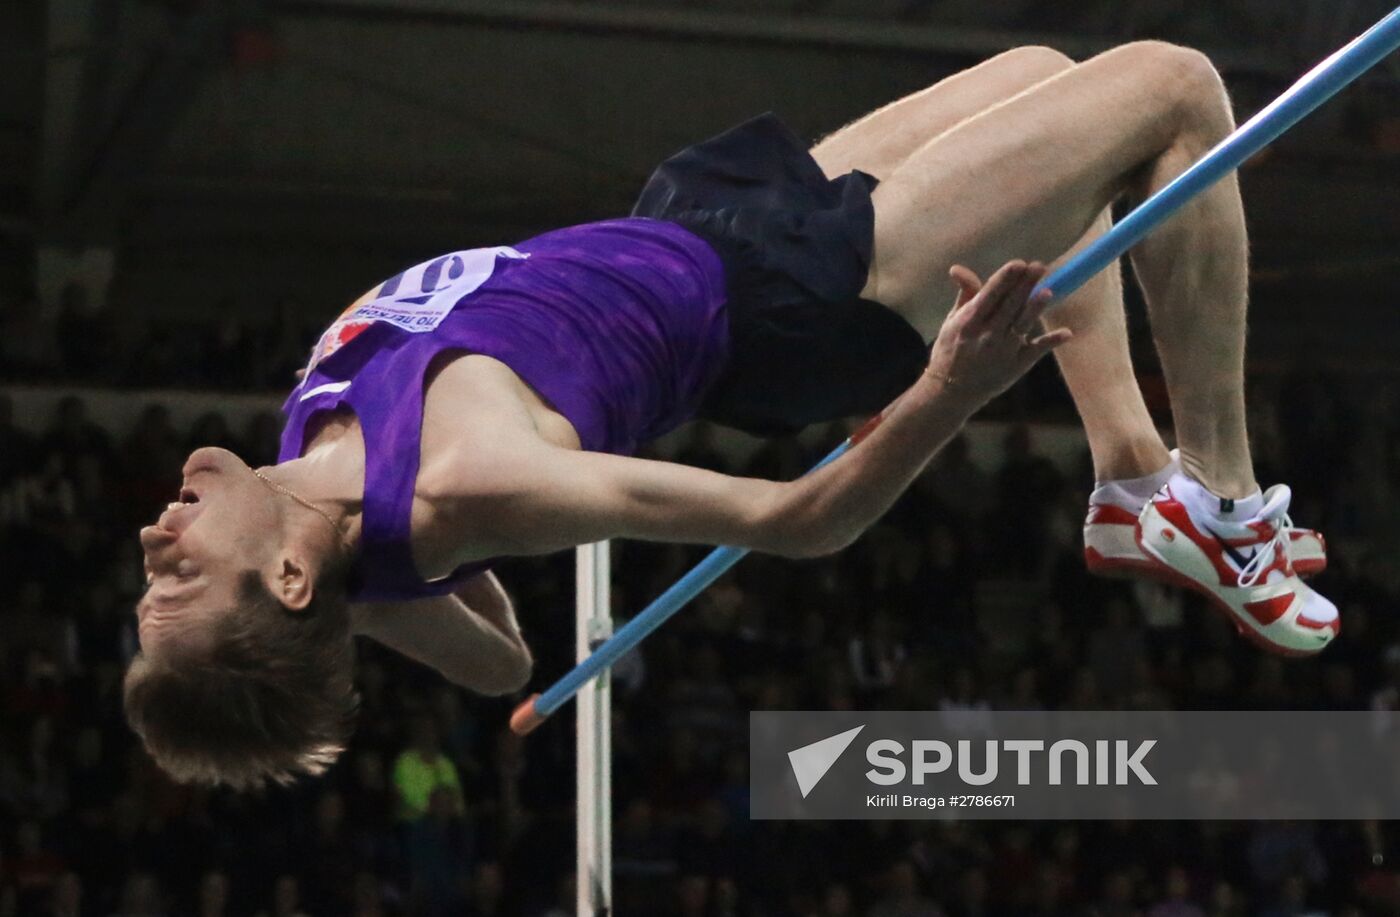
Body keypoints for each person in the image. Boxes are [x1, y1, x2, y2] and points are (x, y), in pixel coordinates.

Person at [126, 42, 1338, 790]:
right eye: (175, 589)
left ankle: (1128, 473)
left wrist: (366, 583)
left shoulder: (334, 496)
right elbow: (796, 520)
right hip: (791, 303)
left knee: (1043, 85)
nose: (152, 550)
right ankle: (1218, 501)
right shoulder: (467, 481)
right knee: (1172, 90)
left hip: (697, 220)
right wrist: (945, 393)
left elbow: (500, 660)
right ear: (285, 575)